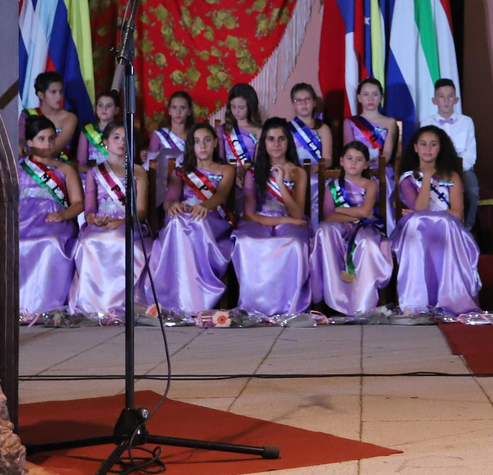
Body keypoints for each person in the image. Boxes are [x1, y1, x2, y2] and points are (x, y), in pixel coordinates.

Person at [145, 121, 236, 317]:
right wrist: (174, 206)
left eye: (207, 140)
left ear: (214, 144)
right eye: (196, 141)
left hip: (213, 221)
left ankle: (197, 300)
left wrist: (204, 206)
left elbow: (220, 195)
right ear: (191, 146)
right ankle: (174, 299)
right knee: (179, 222)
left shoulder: (226, 170)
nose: (202, 145)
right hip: (185, 221)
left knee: (196, 222)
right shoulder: (181, 172)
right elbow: (169, 201)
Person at [392, 126, 481, 315]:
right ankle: (417, 302)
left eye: (433, 144)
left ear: (440, 148)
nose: (428, 149)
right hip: (419, 232)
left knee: (441, 223)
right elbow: (421, 210)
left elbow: (457, 214)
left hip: (448, 232)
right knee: (417, 223)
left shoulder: (452, 176)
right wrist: (427, 178)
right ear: (415, 147)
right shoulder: (408, 179)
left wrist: (423, 214)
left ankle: (451, 300)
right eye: (423, 144)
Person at [71, 121, 150, 324]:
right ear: (105, 142)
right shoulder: (94, 172)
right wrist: (94, 219)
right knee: (89, 243)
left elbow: (141, 212)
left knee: (122, 243)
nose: (121, 142)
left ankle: (121, 304)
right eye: (116, 137)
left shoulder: (139, 171)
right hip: (100, 225)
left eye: (126, 138)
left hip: (129, 224)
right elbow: (89, 210)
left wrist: (121, 221)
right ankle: (92, 305)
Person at [231, 118, 312, 317]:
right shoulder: (252, 173)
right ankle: (253, 306)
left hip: (290, 218)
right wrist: (289, 221)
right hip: (259, 220)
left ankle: (287, 307)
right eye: (271, 139)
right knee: (246, 241)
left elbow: (297, 213)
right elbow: (249, 214)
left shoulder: (299, 172)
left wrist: (281, 184)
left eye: (281, 139)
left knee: (292, 242)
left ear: (288, 143)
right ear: (264, 143)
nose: (276, 144)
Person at [311, 141, 393, 317]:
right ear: (341, 161)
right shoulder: (331, 186)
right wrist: (355, 214)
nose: (353, 163)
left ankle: (362, 302)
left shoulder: (371, 184)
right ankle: (333, 298)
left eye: (359, 159)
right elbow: (329, 216)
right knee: (325, 231)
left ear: (365, 164)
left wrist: (340, 209)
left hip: (365, 228)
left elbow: (365, 212)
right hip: (340, 227)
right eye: (349, 158)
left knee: (367, 242)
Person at [18, 112, 83, 323]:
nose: (47, 144)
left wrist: (63, 214)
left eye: (51, 138)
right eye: (41, 139)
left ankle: (48, 306)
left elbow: (79, 203)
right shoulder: (18, 168)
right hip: (22, 220)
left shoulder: (65, 169)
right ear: (29, 142)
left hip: (54, 221)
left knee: (50, 242)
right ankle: (18, 306)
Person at [344, 77, 401, 233]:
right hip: (356, 168)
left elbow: (388, 152)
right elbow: (348, 150)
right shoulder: (350, 122)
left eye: (375, 94)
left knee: (386, 182)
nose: (370, 98)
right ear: (359, 98)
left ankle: (389, 232)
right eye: (366, 94)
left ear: (381, 98)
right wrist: (361, 164)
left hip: (380, 167)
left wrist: (374, 163)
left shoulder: (390, 122)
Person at [423, 79, 480, 230]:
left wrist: (456, 169)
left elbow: (470, 154)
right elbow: (425, 152)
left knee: (472, 191)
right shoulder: (427, 123)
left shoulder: (467, 122)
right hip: (436, 169)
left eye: (450, 96)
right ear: (434, 100)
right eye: (441, 96)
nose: (446, 100)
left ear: (456, 99)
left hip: (463, 168)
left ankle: (466, 230)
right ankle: (433, 229)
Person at [288, 82, 333, 223]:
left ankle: (317, 226)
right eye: (298, 100)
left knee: (318, 185)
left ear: (314, 102)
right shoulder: (287, 128)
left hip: (317, 174)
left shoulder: (323, 128)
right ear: (293, 104)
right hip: (294, 173)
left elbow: (329, 159)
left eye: (307, 99)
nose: (303, 104)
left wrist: (315, 168)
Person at [212, 82, 264, 173]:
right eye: (233, 107)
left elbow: (259, 163)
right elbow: (219, 161)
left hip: (251, 177)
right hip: (228, 176)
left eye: (241, 107)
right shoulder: (222, 130)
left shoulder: (259, 131)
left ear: (251, 106)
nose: (236, 111)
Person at [148, 89, 197, 164]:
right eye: (174, 107)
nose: (178, 112)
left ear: (189, 111)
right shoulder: (158, 135)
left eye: (183, 108)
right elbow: (151, 165)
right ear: (169, 111)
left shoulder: (195, 135)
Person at [78, 88, 122, 169]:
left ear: (116, 110)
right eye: (100, 105)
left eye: (109, 106)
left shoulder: (122, 131)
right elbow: (81, 164)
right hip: (92, 176)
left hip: (116, 176)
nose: (104, 109)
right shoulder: (87, 130)